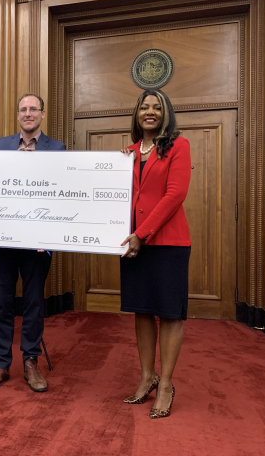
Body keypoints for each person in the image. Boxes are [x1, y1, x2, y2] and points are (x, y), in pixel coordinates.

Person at [0, 93, 66, 393]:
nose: (28, 114)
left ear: (42, 114)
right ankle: (1, 364)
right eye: (23, 110)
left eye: (33, 109)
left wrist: (51, 235)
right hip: (3, 240)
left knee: (33, 303)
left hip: (38, 244)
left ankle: (31, 362)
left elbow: (61, 194)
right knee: (1, 303)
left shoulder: (57, 149)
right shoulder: (1, 146)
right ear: (18, 115)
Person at [119, 89, 191, 419]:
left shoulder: (179, 146)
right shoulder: (128, 152)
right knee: (143, 310)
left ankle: (167, 384)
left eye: (157, 107)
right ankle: (148, 377)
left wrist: (141, 234)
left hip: (167, 243)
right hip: (133, 243)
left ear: (166, 113)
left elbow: (175, 195)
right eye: (144, 107)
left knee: (170, 314)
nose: (150, 112)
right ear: (136, 114)